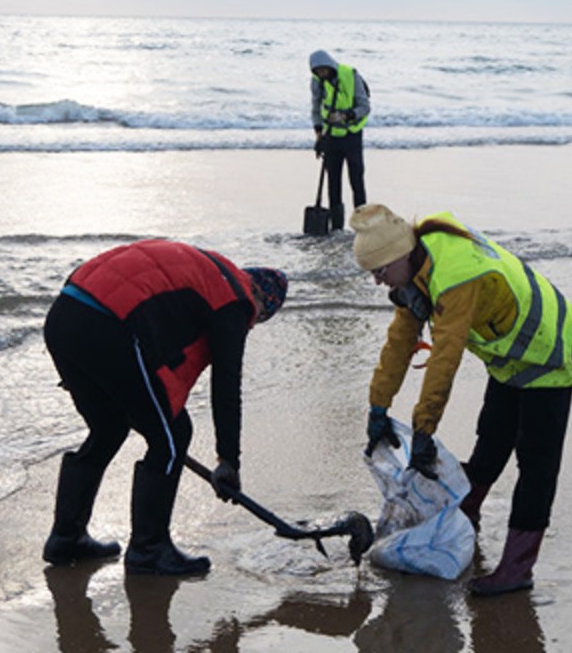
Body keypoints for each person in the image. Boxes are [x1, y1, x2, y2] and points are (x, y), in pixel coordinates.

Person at [350, 204, 572, 597]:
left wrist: (424, 429)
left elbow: (445, 357)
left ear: (400, 256)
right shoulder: (414, 272)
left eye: (380, 272)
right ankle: (464, 517)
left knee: (535, 461)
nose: (377, 282)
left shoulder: (455, 275)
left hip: (547, 347)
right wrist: (378, 407)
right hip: (508, 358)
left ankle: (517, 568)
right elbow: (398, 344)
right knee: (491, 439)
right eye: (372, 274)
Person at [41, 239, 288, 576]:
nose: (251, 324)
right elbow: (226, 384)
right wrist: (229, 460)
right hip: (107, 325)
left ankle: (66, 537)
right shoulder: (236, 300)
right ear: (260, 299)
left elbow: (155, 333)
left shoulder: (208, 274)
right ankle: (149, 549)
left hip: (65, 318)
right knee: (172, 435)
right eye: (258, 318)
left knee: (109, 427)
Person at [309, 49, 370, 233]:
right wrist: (319, 135)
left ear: (330, 66)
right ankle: (336, 228)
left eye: (323, 70)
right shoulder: (317, 82)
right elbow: (316, 108)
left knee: (356, 180)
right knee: (333, 182)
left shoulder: (351, 76)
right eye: (317, 71)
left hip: (352, 136)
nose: (321, 74)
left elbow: (365, 106)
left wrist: (347, 115)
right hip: (331, 137)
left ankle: (362, 225)